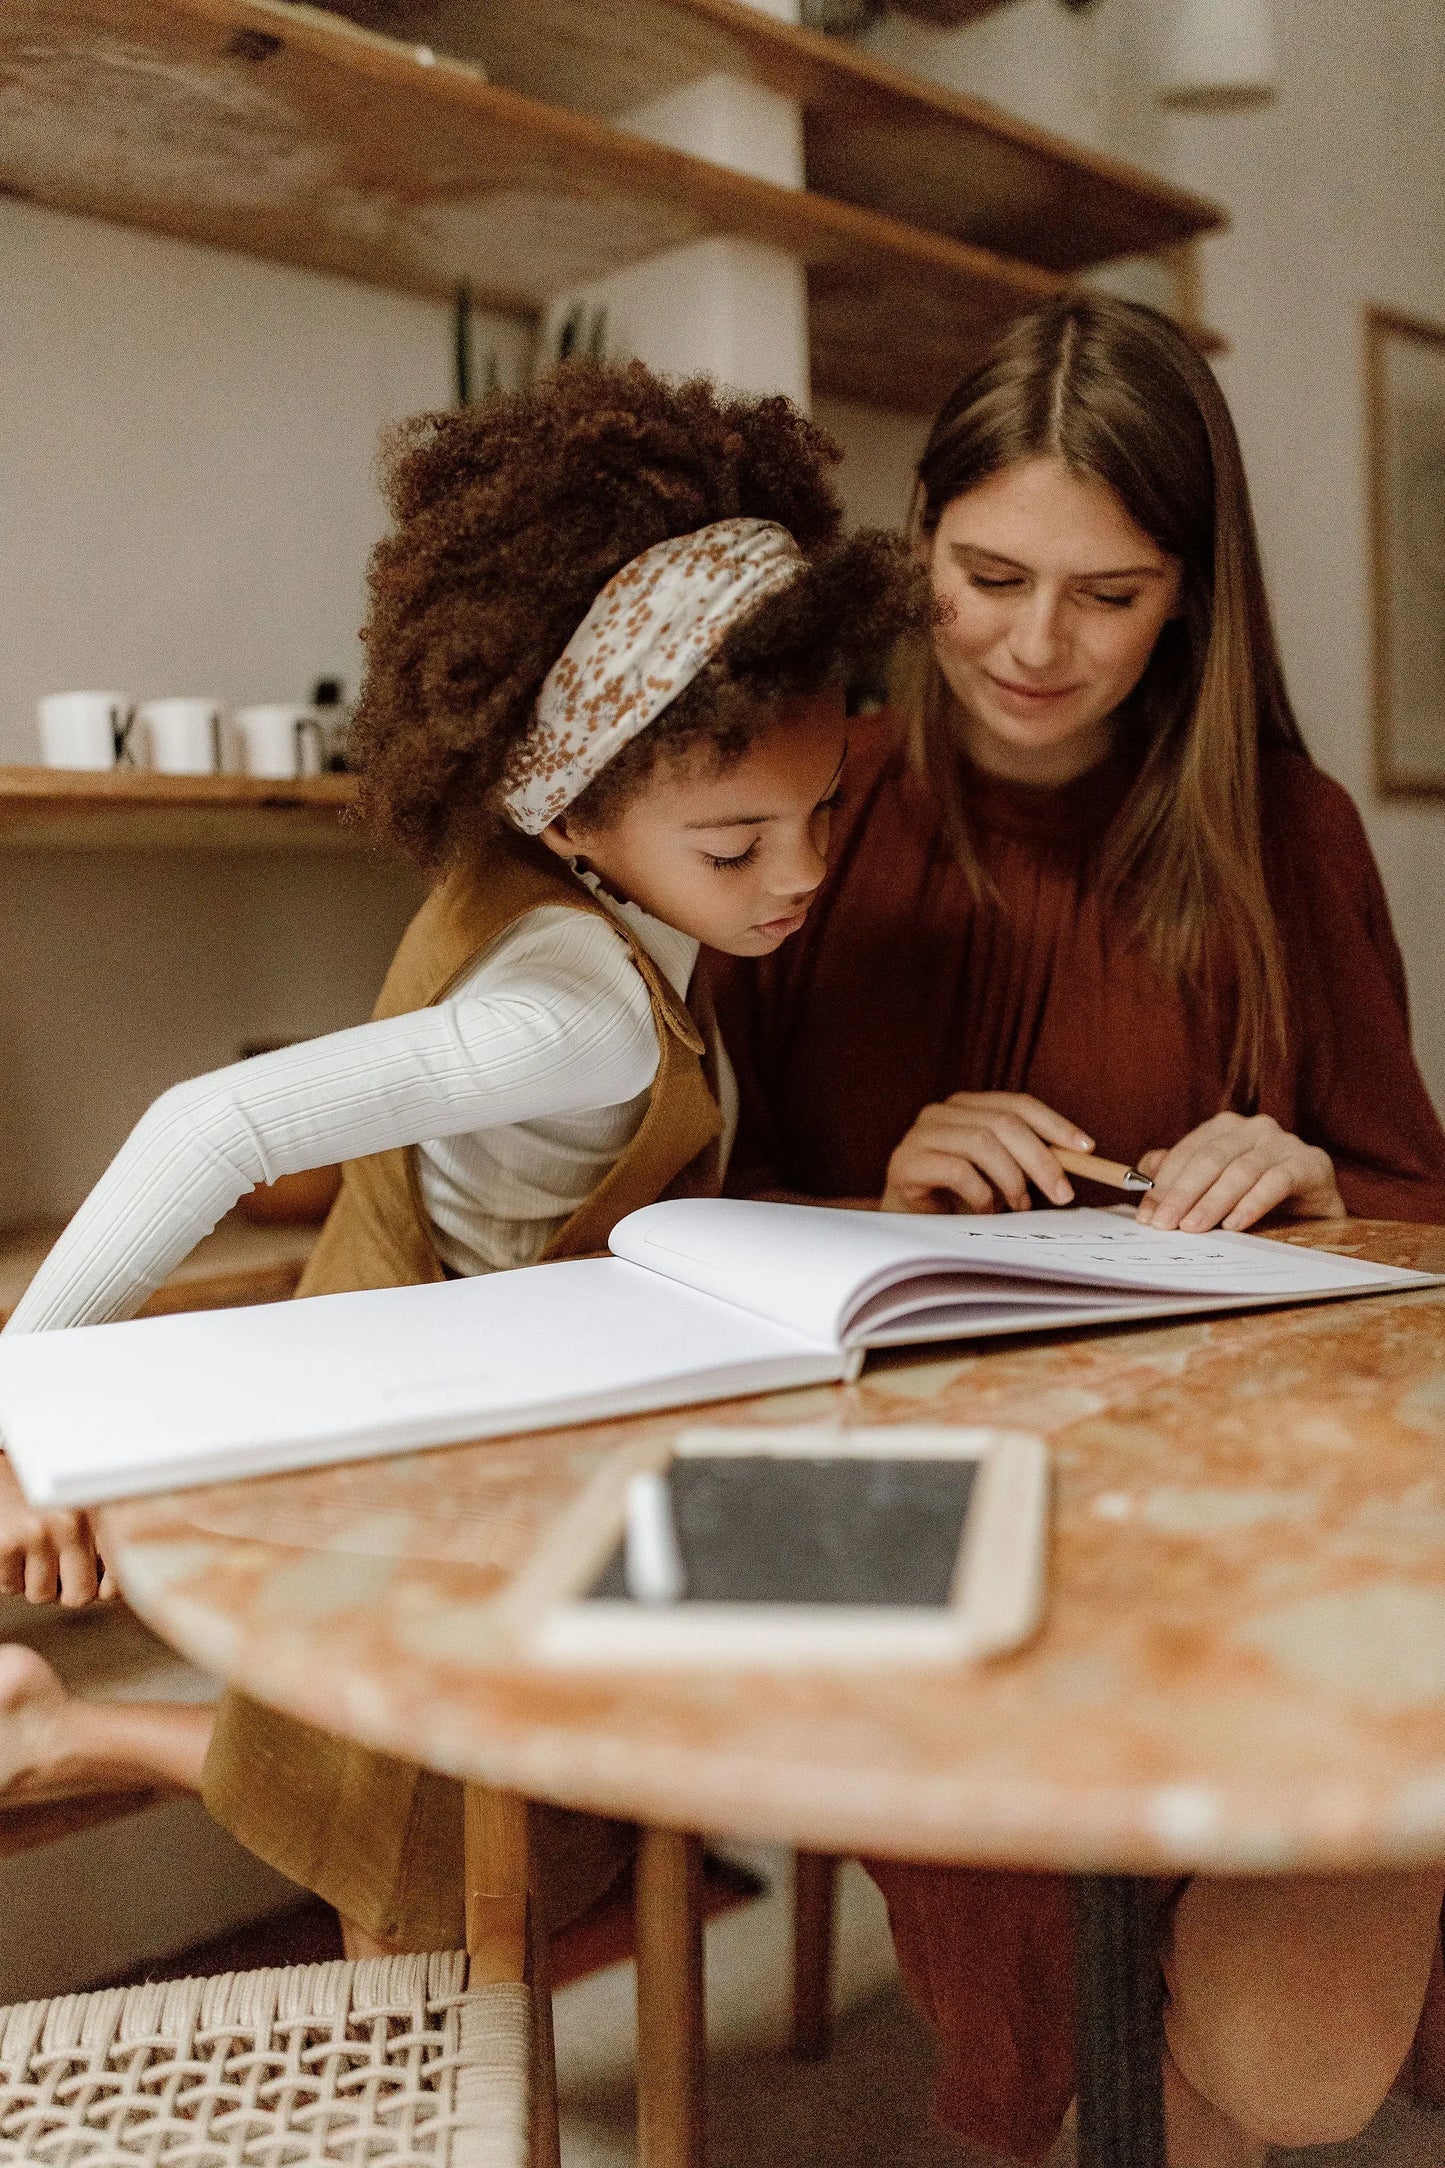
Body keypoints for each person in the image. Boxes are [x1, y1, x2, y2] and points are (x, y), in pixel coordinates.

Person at [0, 360, 922, 1957]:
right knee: (450, 1868)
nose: (802, 879)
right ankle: (66, 1742)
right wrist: (25, 1407)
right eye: (737, 846)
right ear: (573, 811)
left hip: (470, 1381)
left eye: (822, 814)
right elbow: (209, 1123)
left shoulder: (563, 874)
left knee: (493, 1811)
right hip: (416, 1428)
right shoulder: (578, 1021)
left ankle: (50, 1733)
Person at [710, 294, 1445, 2164]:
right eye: (984, 574)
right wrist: (874, 1193)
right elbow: (685, 1222)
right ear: (915, 547)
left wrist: (1328, 1191)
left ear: (1193, 594)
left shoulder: (1289, 833)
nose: (1032, 645)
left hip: (1252, 1506)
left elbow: (1425, 1208)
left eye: (1105, 595)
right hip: (916, 1506)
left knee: (1290, 2056)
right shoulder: (817, 809)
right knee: (1118, 2016)